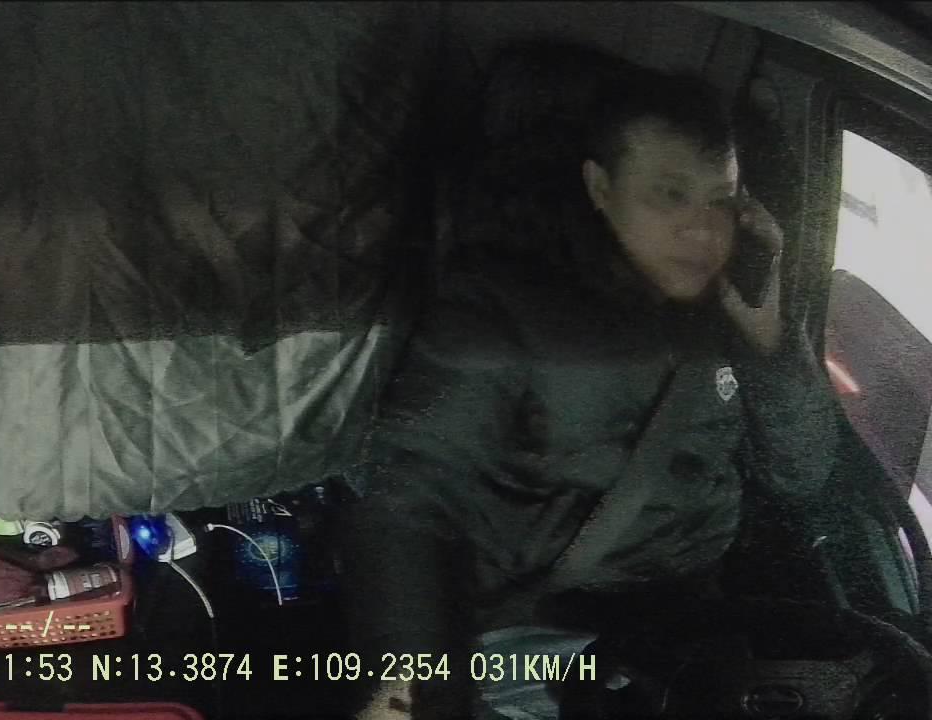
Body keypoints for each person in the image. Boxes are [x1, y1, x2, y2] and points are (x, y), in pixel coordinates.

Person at [342, 64, 841, 720]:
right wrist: (413, 691)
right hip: (538, 641)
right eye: (669, 195)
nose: (702, 231)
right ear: (600, 188)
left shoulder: (728, 319)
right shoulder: (498, 312)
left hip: (691, 638)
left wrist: (771, 343)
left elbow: (803, 475)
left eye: (720, 201)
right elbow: (409, 503)